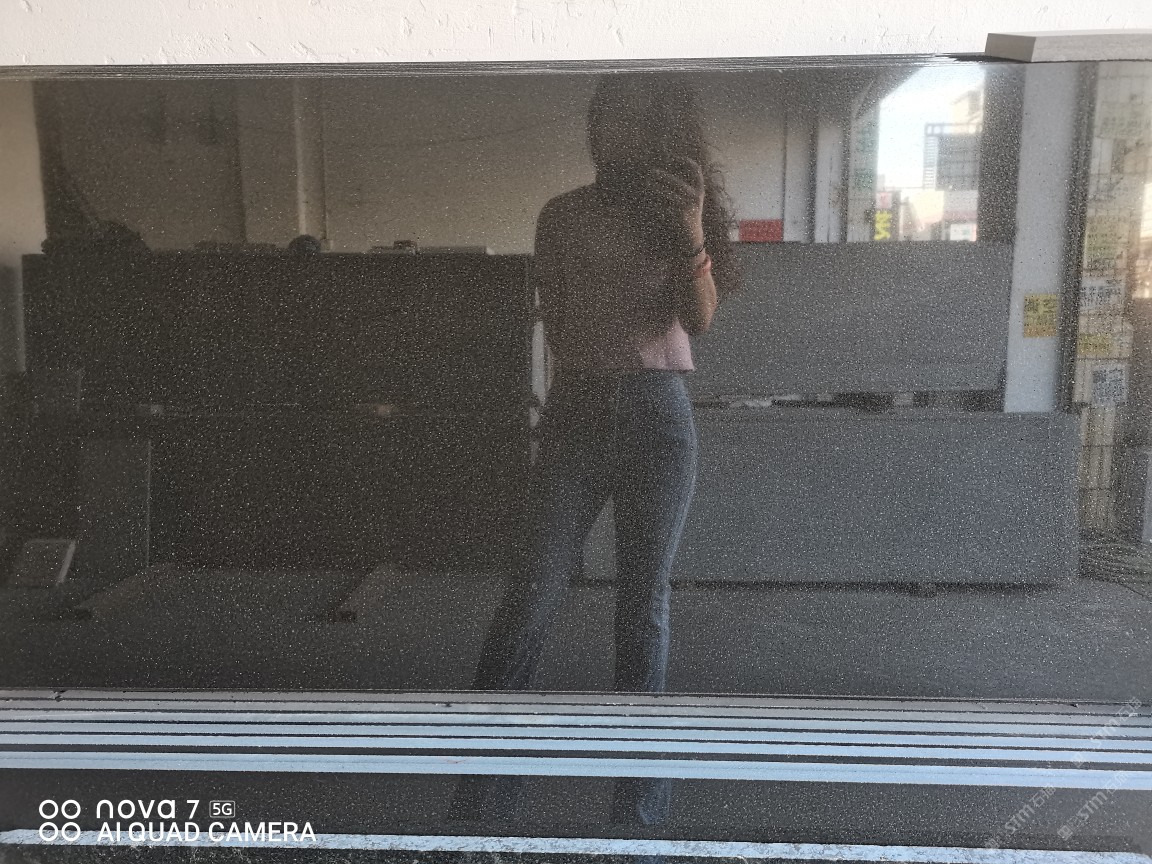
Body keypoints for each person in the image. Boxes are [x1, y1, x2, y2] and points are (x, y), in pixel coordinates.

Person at [449, 71, 742, 832]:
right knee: (530, 596)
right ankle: (482, 799)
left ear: (654, 129)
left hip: (657, 413)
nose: (603, 134)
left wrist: (689, 231)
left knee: (643, 609)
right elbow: (562, 321)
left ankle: (637, 812)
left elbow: (700, 321)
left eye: (618, 120)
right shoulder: (564, 214)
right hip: (578, 409)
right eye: (597, 120)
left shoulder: (682, 212)